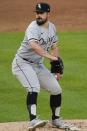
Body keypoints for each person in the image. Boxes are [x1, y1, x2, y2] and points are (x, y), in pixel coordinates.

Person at [12, 2, 70, 130]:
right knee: (34, 87)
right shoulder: (32, 27)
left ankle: (56, 120)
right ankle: (33, 121)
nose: (38, 16)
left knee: (56, 89)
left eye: (41, 13)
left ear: (48, 13)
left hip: (37, 65)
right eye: (37, 13)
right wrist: (52, 58)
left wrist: (56, 68)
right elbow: (35, 47)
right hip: (22, 63)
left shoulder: (52, 28)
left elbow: (54, 46)